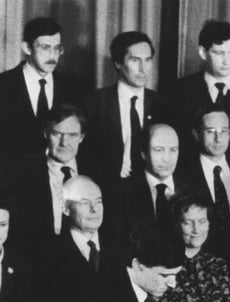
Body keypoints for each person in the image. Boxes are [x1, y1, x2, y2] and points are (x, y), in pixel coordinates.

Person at [169, 20, 230, 164]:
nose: (227, 60)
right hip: (193, 173)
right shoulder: (181, 89)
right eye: (219, 53)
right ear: (203, 52)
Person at [82, 31, 169, 182]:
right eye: (135, 60)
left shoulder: (162, 104)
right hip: (108, 187)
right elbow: (85, 156)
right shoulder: (94, 103)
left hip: (150, 187)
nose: (143, 68)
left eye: (147, 60)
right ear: (118, 63)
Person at [175, 104, 230, 256]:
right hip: (201, 259)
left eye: (224, 131)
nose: (218, 139)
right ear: (196, 134)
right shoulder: (182, 174)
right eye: (210, 132)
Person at [11, 104, 88, 257]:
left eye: (72, 135)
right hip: (38, 259)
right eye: (57, 134)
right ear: (46, 133)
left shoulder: (99, 172)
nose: (64, 143)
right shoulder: (20, 172)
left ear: (81, 137)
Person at [0, 17, 82, 156]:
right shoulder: (4, 84)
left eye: (57, 48)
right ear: (27, 48)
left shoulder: (72, 86)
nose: (52, 55)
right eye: (45, 48)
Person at [116, 123, 185, 233]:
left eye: (173, 150)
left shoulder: (191, 189)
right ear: (143, 153)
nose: (167, 159)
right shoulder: (122, 193)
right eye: (158, 150)